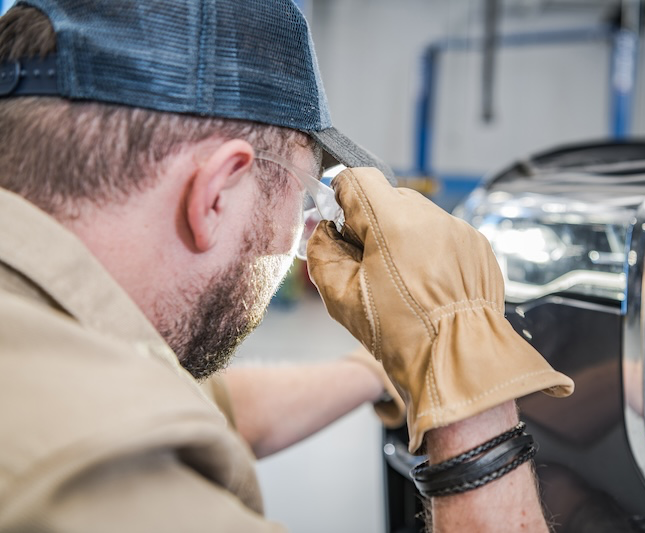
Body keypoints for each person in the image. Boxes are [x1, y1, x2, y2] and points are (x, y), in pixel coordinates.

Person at [0, 0, 574, 532]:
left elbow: (211, 404)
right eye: (303, 199)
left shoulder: (52, 338)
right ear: (216, 194)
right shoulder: (94, 482)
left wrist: (381, 368)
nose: (298, 232)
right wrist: (466, 372)